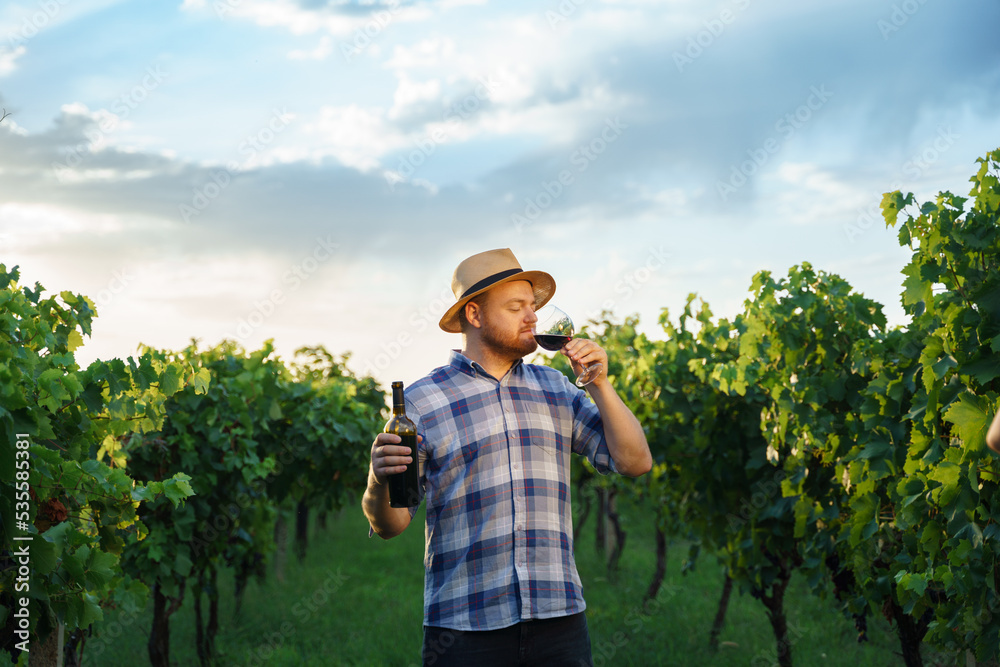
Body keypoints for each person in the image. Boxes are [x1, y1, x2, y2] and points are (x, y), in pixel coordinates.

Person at [362, 248, 652, 667]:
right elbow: (391, 525)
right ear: (475, 315)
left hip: (560, 619)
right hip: (464, 629)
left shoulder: (556, 388)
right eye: (517, 307)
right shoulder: (422, 403)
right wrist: (377, 480)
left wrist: (600, 385)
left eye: (533, 307)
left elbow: (634, 462)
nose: (533, 318)